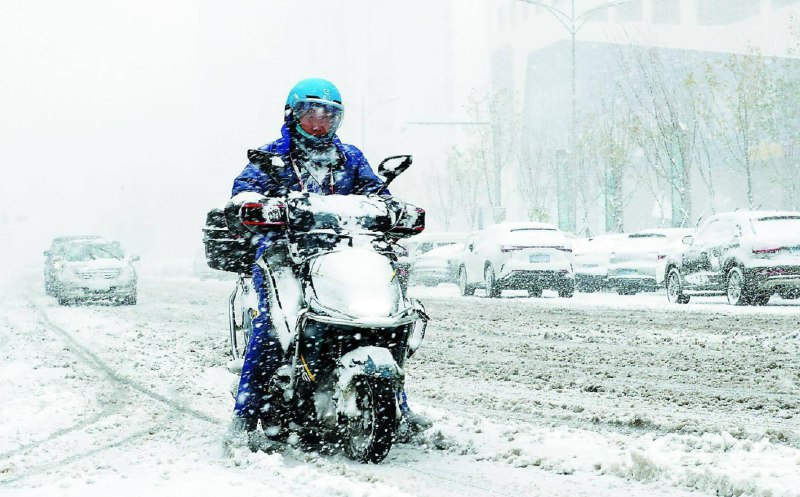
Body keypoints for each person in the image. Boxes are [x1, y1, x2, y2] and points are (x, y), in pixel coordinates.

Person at [226, 78, 429, 443]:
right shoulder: (271, 158)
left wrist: (392, 208)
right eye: (312, 114)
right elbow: (244, 192)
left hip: (348, 252)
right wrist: (256, 205)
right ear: (293, 115)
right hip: (286, 256)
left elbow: (373, 191)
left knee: (387, 319)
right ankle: (244, 415)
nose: (320, 122)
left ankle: (400, 403)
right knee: (271, 328)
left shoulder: (349, 157)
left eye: (329, 116)